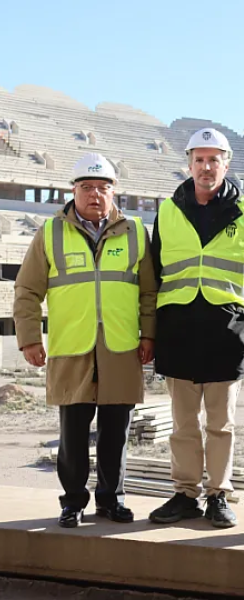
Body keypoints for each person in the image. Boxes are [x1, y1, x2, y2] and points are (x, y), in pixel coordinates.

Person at [13, 152, 157, 527]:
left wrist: (150, 335)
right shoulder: (50, 233)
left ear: (115, 193)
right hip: (71, 347)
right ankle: (73, 501)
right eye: (87, 187)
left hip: (121, 348)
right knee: (73, 433)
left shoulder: (136, 232)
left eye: (103, 188)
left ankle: (111, 500)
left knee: (116, 433)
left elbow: (148, 294)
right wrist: (30, 339)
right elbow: (27, 290)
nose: (95, 195)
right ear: (73, 191)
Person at [147, 128, 244, 528]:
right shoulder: (167, 210)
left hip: (226, 334)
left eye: (214, 159)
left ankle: (218, 494)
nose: (206, 166)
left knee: (220, 424)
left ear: (226, 165)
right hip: (178, 331)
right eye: (199, 159)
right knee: (182, 424)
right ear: (189, 163)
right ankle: (184, 494)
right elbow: (155, 272)